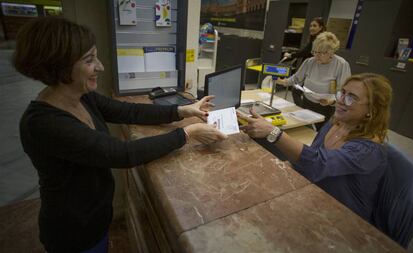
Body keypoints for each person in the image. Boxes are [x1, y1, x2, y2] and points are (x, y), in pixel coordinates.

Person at [14, 17, 227, 252]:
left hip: (95, 220)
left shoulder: (80, 96)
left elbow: (130, 111)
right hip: (75, 233)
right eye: (89, 60)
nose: (100, 66)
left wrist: (182, 110)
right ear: (60, 66)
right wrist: (188, 132)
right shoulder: (44, 124)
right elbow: (122, 154)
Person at [238, 73, 392, 224]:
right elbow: (312, 155)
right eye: (342, 93)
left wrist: (274, 133)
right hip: (314, 193)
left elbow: (317, 164)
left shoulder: (369, 150)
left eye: (352, 98)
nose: (341, 101)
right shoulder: (336, 123)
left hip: (344, 218)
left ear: (372, 110)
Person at [277, 31, 351, 130]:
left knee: (322, 131)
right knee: (305, 129)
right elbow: (296, 78)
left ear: (331, 52)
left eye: (322, 53)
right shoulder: (310, 62)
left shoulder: (341, 64)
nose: (317, 56)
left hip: (328, 107)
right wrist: (284, 82)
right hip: (308, 102)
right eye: (315, 52)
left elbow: (344, 91)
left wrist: (331, 101)